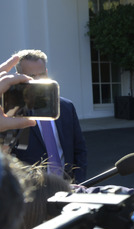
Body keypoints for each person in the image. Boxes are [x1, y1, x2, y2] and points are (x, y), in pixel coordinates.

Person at [12, 49, 88, 183]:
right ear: (19, 77)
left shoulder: (65, 107)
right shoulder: (12, 113)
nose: (37, 81)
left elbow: (79, 149)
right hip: (32, 194)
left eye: (41, 75)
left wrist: (79, 181)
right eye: (31, 76)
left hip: (68, 187)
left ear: (47, 73)